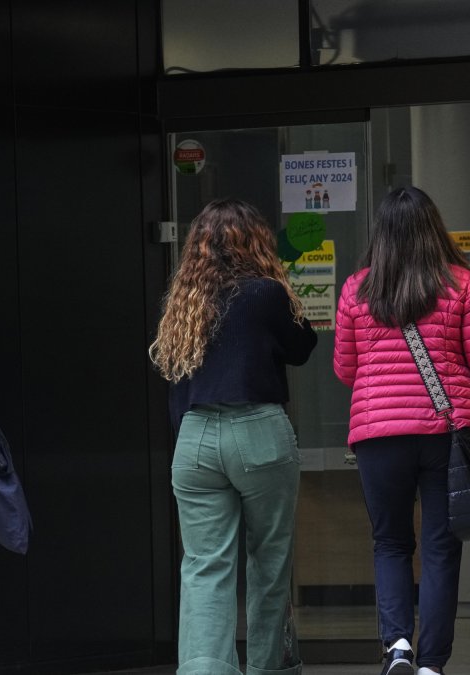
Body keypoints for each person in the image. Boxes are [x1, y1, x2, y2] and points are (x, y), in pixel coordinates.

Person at [332, 187, 470, 675]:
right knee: (442, 547)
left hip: (378, 435)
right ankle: (431, 665)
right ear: (432, 229)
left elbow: (345, 369)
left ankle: (397, 646)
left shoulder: (357, 290)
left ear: (381, 235)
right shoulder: (461, 284)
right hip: (447, 433)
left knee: (391, 542)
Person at [150, 198, 318, 675]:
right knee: (269, 561)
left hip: (195, 437)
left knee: (204, 565)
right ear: (255, 243)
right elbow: (302, 346)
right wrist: (285, 283)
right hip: (258, 431)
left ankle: (204, 670)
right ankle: (268, 668)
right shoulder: (266, 293)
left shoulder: (184, 300)